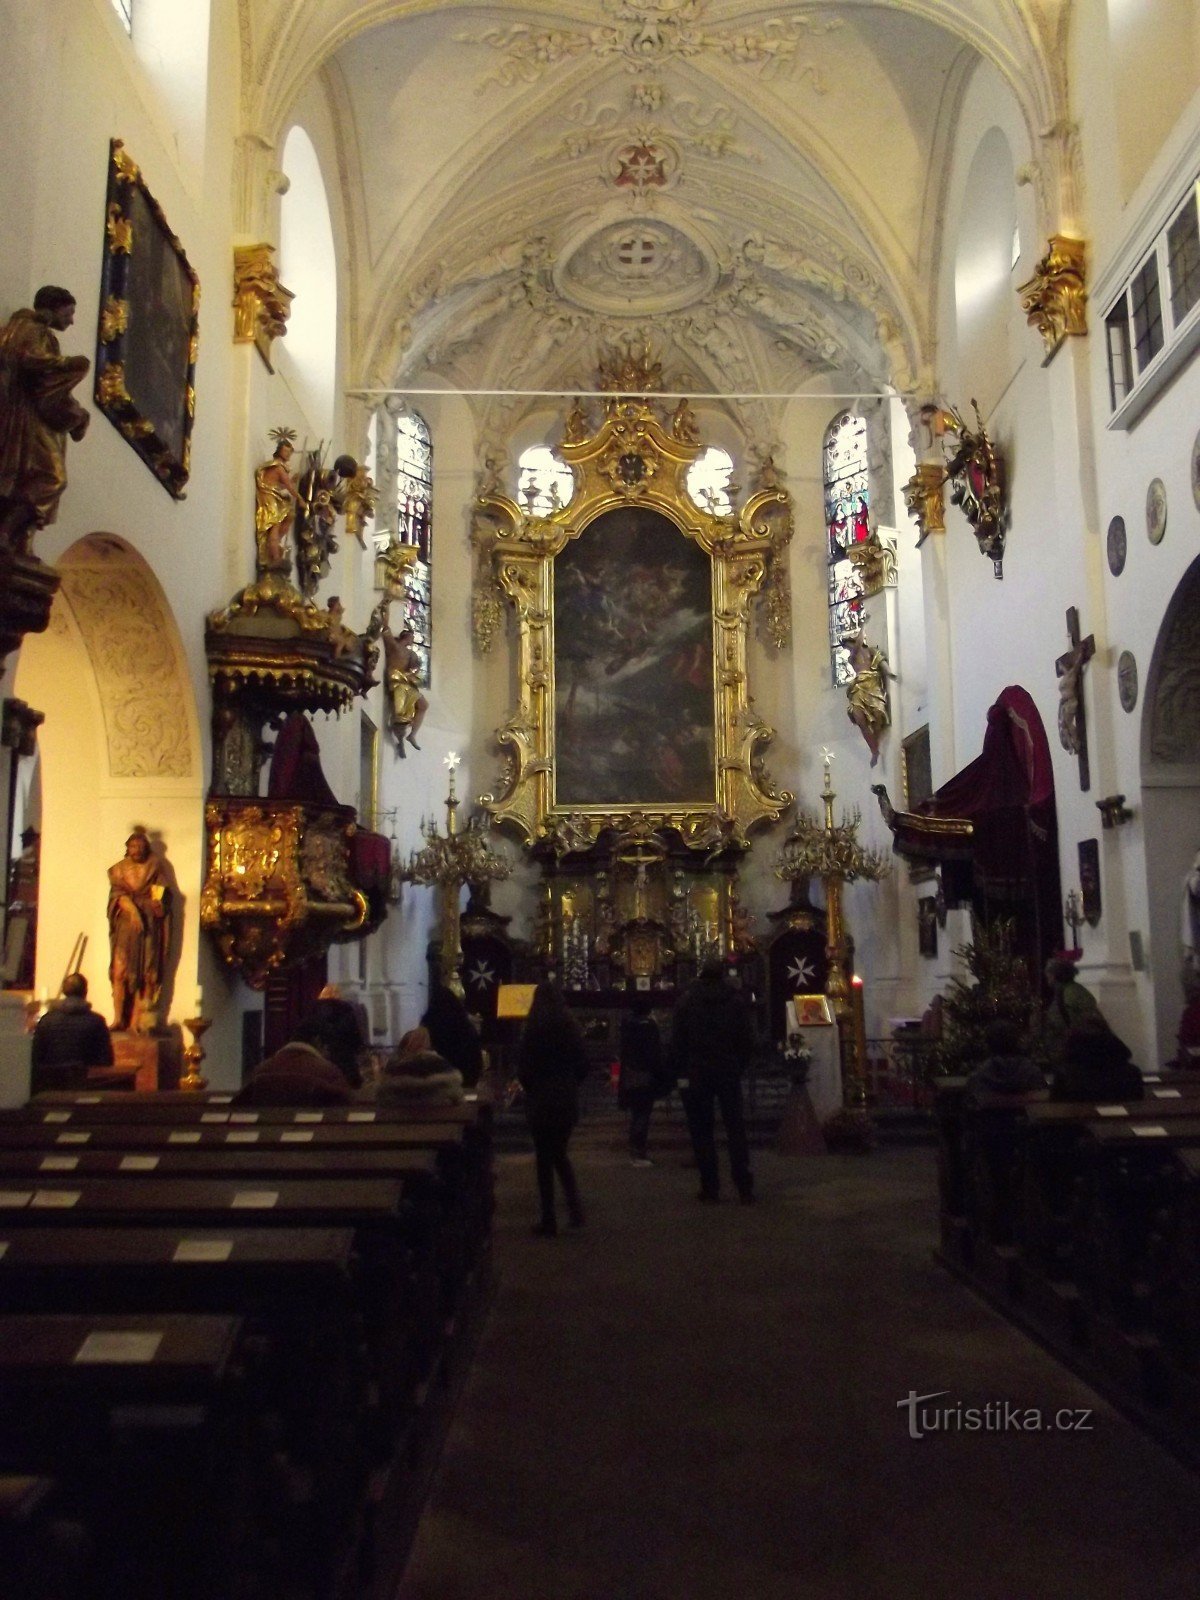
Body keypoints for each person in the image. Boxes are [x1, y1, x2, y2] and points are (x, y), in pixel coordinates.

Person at [0, 285, 91, 555]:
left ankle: (18, 538)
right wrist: (68, 364)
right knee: (52, 477)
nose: (71, 320)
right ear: (53, 308)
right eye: (69, 312)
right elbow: (31, 364)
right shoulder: (29, 328)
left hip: (35, 415)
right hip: (25, 416)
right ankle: (6, 530)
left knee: (36, 478)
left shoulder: (35, 331)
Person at [672, 958, 755, 1203]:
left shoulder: (687, 1002)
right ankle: (744, 1187)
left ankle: (710, 1187)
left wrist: (681, 1073)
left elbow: (679, 1042)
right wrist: (737, 1066)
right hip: (728, 1071)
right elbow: (746, 1040)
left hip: (698, 1072)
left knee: (702, 1130)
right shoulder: (735, 1002)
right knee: (735, 1129)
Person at [517, 980, 587, 1236]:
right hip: (565, 1097)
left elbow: (523, 1066)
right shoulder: (570, 1026)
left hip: (541, 1099)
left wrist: (533, 1087)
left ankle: (549, 1217)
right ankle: (574, 1209)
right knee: (559, 1154)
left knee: (545, 1160)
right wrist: (570, 1083)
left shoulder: (532, 1029)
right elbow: (583, 1063)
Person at [107, 827, 171, 1033]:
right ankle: (118, 1018)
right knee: (120, 971)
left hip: (148, 925)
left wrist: (157, 902)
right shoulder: (118, 870)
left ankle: (137, 1021)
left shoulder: (154, 866)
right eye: (133, 846)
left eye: (140, 846)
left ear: (146, 848)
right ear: (127, 848)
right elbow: (117, 896)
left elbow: (161, 891)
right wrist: (133, 910)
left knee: (145, 972)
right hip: (126, 925)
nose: (137, 850)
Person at [234, 1015, 355, 1106]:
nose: (328, 1054)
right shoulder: (328, 1072)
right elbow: (347, 1107)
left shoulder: (261, 1069)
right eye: (327, 1048)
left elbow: (240, 1106)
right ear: (317, 1041)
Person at [30, 973, 113, 1094]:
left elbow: (35, 1057)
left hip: (50, 1089)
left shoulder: (47, 1021)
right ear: (85, 992)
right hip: (86, 1088)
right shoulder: (96, 1021)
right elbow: (106, 1060)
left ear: (64, 992)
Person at [619, 991, 668, 1165]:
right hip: (645, 1073)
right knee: (643, 1113)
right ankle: (638, 1151)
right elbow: (654, 1052)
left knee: (636, 1112)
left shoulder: (627, 1025)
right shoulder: (649, 1026)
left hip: (631, 1072)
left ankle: (635, 1148)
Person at [1051, 1018, 1144, 1104]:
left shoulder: (1065, 1074)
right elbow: (1139, 1104)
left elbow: (1056, 1108)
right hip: (1124, 1121)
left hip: (1077, 1120)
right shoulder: (1131, 1073)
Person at [1042, 951, 1105, 1065]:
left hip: (1076, 1049)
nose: (1047, 977)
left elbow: (1065, 1021)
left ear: (1054, 975)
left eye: (1048, 973)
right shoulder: (1076, 990)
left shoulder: (1066, 994)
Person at [377, 1026, 464, 1107]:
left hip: (398, 1122)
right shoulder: (444, 1069)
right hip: (441, 1123)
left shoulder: (395, 1071)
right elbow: (459, 1101)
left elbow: (382, 1100)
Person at [843, 629, 894, 767]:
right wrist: (864, 625)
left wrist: (890, 674)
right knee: (859, 718)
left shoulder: (871, 652)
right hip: (859, 688)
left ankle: (876, 744)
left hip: (873, 685)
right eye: (846, 647)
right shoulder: (851, 658)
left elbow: (882, 663)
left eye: (849, 645)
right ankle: (874, 750)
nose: (849, 649)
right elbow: (858, 646)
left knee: (878, 714)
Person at [963, 1019, 1045, 1104]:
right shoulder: (1032, 1073)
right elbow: (1042, 1101)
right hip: (1024, 1116)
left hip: (989, 1116)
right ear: (1017, 1042)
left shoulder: (979, 1075)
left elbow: (971, 1104)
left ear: (988, 1045)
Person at [422, 978, 484, 1088]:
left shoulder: (429, 1029)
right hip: (465, 1084)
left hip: (433, 1088)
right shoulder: (466, 1029)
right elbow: (476, 1064)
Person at [381, 615, 428, 755]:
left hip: (406, 683)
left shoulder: (411, 654)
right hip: (396, 682)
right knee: (399, 715)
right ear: (406, 637)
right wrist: (387, 607)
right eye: (411, 638)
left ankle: (412, 735)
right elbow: (385, 629)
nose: (412, 642)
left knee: (424, 705)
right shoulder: (394, 646)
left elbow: (416, 669)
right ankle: (400, 741)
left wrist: (414, 669)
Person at [253, 427, 298, 572]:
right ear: (279, 451)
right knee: (274, 524)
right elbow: (288, 488)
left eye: (289, 452)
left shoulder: (280, 468)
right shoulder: (277, 467)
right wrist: (301, 500)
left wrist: (291, 481)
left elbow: (279, 485)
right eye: (285, 451)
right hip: (269, 498)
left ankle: (275, 545)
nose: (287, 454)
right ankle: (275, 556)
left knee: (289, 515)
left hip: (275, 496)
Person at [305, 983, 366, 1089]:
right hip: (346, 1062)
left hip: (320, 1063)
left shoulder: (313, 1013)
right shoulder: (348, 1011)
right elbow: (357, 1040)